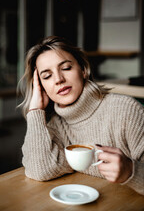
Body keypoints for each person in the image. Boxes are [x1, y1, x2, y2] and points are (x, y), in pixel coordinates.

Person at [18, 36, 144, 195]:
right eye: (47, 76)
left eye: (66, 68)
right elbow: (39, 170)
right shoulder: (55, 127)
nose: (58, 79)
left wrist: (131, 171)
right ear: (41, 87)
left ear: (83, 70)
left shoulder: (126, 110)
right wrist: (35, 110)